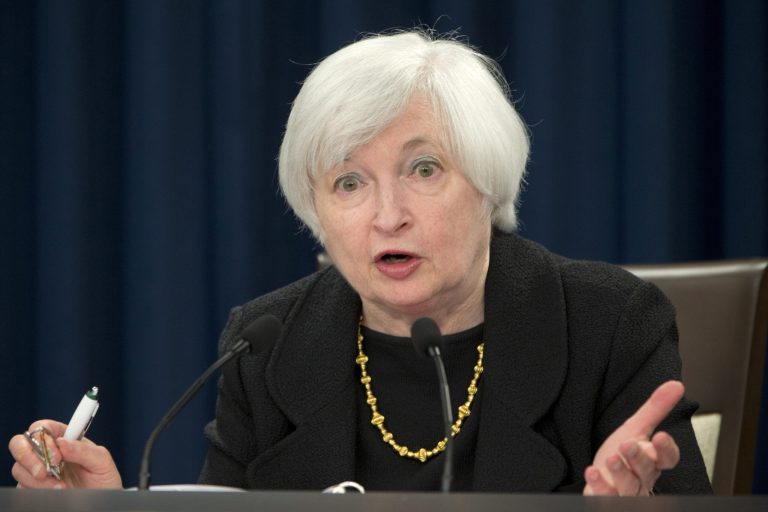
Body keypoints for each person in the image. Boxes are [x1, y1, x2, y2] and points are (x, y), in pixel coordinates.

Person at [8, 29, 712, 494]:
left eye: (425, 169)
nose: (386, 215)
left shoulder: (609, 324)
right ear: (315, 208)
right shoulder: (265, 344)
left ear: (489, 179)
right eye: (349, 182)